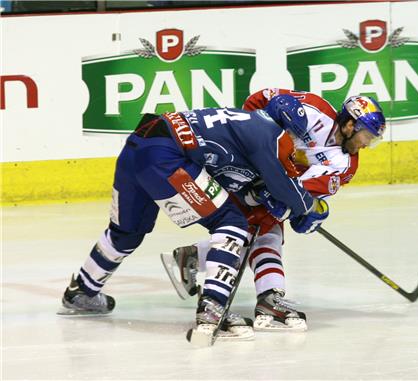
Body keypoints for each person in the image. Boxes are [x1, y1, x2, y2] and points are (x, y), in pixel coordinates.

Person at [58, 97, 329, 340]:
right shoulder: (272, 134)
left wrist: (260, 194)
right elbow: (287, 188)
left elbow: (223, 175)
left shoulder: (243, 124)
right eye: (296, 136)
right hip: (167, 155)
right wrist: (310, 208)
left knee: (125, 233)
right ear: (287, 126)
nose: (295, 144)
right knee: (233, 223)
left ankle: (81, 291)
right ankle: (213, 309)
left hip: (137, 147)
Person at [164, 89, 386, 331]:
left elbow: (305, 192)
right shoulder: (315, 109)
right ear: (349, 125)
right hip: (246, 165)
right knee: (255, 231)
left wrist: (302, 210)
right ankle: (263, 294)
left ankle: (201, 259)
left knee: (265, 230)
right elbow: (259, 101)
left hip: (276, 184)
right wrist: (252, 149)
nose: (366, 144)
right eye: (367, 136)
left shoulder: (344, 165)